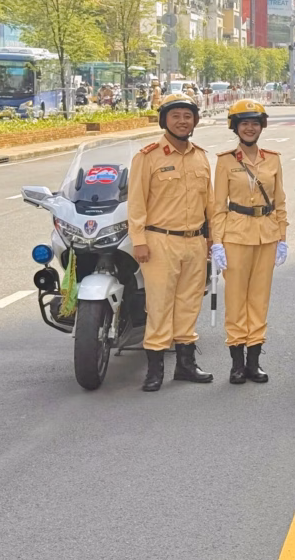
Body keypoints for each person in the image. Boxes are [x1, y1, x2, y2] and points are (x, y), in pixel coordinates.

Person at [128, 93, 215, 391]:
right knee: (160, 305)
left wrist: (212, 239)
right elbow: (137, 204)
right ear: (164, 120)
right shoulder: (148, 156)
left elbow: (210, 204)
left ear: (195, 121)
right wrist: (138, 240)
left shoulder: (201, 156)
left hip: (194, 241)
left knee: (189, 304)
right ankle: (155, 370)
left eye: (187, 116)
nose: (182, 121)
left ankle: (186, 365)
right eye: (175, 115)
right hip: (159, 241)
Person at [211, 100, 288, 385]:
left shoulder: (273, 159)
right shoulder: (225, 161)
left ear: (262, 126)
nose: (250, 128)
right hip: (235, 234)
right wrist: (216, 242)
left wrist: (282, 237)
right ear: (235, 127)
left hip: (266, 235)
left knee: (259, 299)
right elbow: (218, 206)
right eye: (244, 123)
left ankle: (254, 361)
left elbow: (280, 202)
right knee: (235, 299)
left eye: (255, 123)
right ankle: (236, 363)